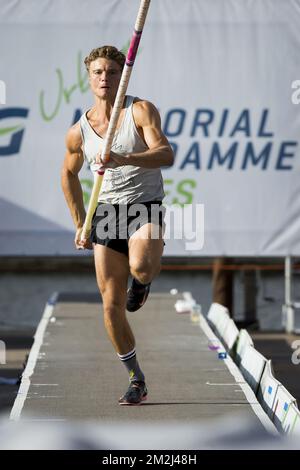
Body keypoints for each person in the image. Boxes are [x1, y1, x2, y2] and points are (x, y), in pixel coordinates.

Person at [61, 46, 174, 405]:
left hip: (144, 206)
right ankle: (135, 377)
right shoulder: (79, 131)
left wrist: (123, 157)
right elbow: (67, 174)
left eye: (111, 71)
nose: (105, 78)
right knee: (110, 306)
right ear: (89, 77)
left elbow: (165, 153)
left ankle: (142, 282)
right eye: (98, 72)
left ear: (122, 75)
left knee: (141, 266)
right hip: (107, 213)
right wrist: (81, 221)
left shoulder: (139, 110)